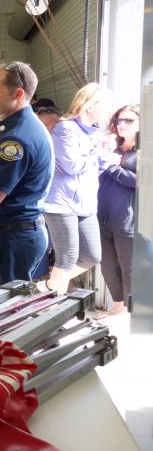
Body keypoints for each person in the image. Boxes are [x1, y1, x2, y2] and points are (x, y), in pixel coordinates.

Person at [0, 62, 54, 297]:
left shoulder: (15, 140)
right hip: (15, 234)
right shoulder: (21, 128)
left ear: (17, 94)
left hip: (9, 238)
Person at [43, 84, 116, 294]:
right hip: (61, 204)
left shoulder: (94, 133)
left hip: (85, 204)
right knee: (66, 258)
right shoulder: (66, 129)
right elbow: (71, 165)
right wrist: (100, 153)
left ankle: (48, 287)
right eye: (105, 105)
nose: (109, 110)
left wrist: (106, 159)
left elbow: (94, 169)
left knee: (92, 256)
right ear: (90, 105)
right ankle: (52, 308)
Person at [97, 104, 139, 318]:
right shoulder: (112, 147)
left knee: (128, 265)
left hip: (127, 216)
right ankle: (118, 305)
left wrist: (111, 167)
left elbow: (141, 181)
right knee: (107, 262)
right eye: (119, 120)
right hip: (103, 212)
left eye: (129, 120)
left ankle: (131, 312)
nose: (122, 125)